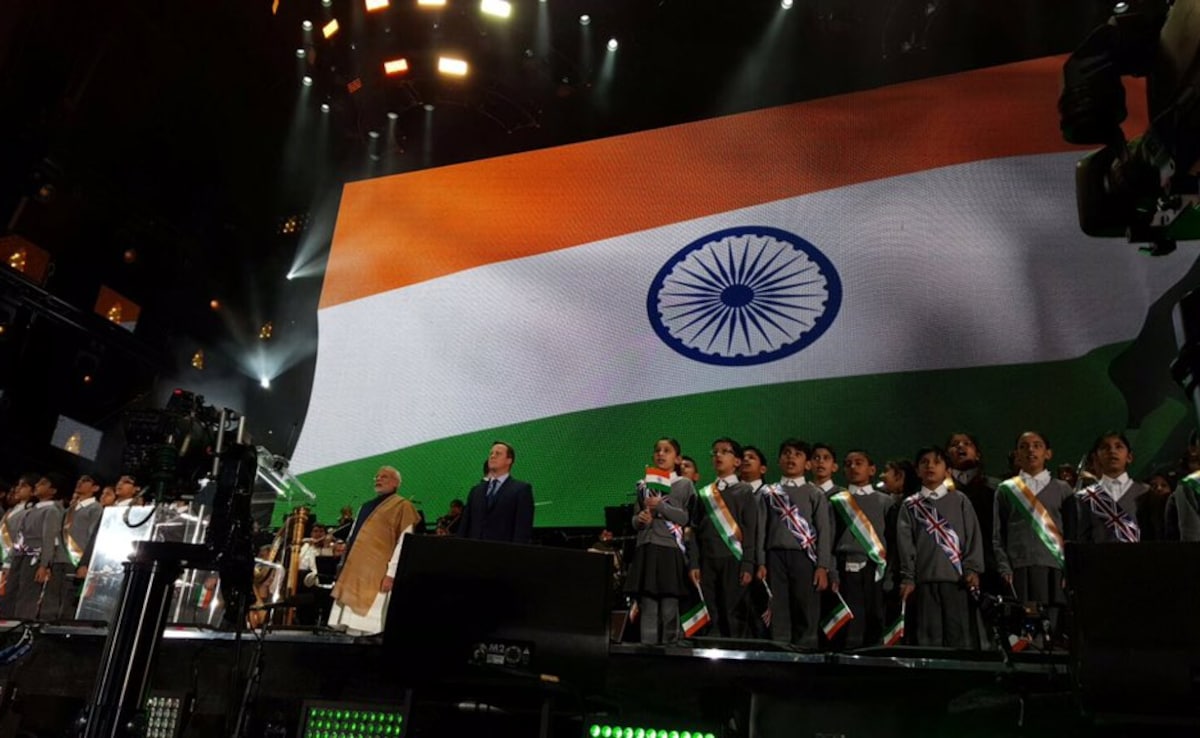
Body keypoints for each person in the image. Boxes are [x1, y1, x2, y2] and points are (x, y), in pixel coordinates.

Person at [896, 447, 985, 649]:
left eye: (936, 462)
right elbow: (905, 544)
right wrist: (908, 577)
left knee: (958, 637)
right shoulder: (910, 505)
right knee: (928, 639)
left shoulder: (961, 500)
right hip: (924, 581)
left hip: (957, 582)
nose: (930, 466)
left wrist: (972, 569)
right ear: (917, 471)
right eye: (924, 462)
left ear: (947, 470)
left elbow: (972, 537)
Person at [992, 432, 1072, 636]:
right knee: (1023, 631)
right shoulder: (1006, 489)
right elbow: (998, 534)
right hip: (1019, 568)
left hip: (1054, 568)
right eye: (1024, 446)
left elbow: (1072, 532)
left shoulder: (1063, 489)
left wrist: (1070, 569)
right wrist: (1004, 566)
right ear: (1016, 454)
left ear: (1048, 453)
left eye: (1037, 445)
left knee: (1052, 630)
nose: (1031, 450)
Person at [756, 438, 831, 649]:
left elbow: (824, 532)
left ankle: (806, 656)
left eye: (797, 454)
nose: (791, 457)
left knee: (805, 610)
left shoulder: (815, 493)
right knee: (777, 609)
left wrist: (823, 566)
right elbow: (760, 529)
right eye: (787, 453)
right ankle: (779, 656)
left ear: (807, 464)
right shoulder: (767, 492)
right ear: (779, 460)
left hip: (805, 558)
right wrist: (760, 562)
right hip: (774, 558)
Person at [329, 466, 421, 635]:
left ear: (396, 483)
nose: (378, 479)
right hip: (354, 570)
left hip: (378, 573)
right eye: (377, 477)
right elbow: (352, 537)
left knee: (366, 629)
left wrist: (391, 574)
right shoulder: (365, 506)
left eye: (384, 477)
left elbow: (403, 543)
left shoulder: (402, 506)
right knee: (347, 628)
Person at [624, 438, 695, 644]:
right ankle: (648, 650)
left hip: (669, 550)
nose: (661, 454)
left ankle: (670, 648)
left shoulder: (684, 484)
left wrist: (661, 507)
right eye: (657, 451)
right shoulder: (643, 485)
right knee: (648, 605)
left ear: (677, 458)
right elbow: (635, 519)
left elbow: (685, 518)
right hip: (646, 548)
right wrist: (640, 520)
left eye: (667, 451)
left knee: (669, 606)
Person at [691, 437, 758, 638]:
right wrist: (694, 563)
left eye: (724, 451)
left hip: (734, 560)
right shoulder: (704, 493)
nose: (718, 455)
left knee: (733, 614)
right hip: (707, 561)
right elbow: (694, 530)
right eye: (715, 452)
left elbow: (750, 530)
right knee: (711, 613)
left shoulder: (745, 491)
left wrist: (748, 563)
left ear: (737, 461)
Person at [828, 450, 893, 649]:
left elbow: (891, 540)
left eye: (859, 463)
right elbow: (829, 538)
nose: (853, 467)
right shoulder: (836, 500)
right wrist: (832, 571)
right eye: (848, 464)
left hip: (874, 568)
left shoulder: (886, 501)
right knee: (846, 620)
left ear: (872, 469)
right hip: (843, 567)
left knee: (873, 618)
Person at [42, 474, 104, 620]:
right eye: (80, 480)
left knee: (68, 600)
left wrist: (86, 563)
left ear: (95, 488)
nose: (80, 483)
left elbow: (93, 538)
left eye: (86, 481)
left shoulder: (95, 508)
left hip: (76, 560)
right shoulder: (70, 508)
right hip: (59, 559)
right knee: (51, 598)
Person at [1069, 432, 1147, 543]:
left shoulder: (1145, 492)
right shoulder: (1084, 497)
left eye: (1118, 447)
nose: (1112, 451)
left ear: (1129, 457)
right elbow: (1082, 539)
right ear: (1095, 458)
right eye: (1105, 448)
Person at [14, 474, 68, 620]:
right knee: (15, 593)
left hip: (35, 556)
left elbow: (49, 539)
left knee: (27, 596)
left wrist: (44, 564)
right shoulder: (32, 509)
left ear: (53, 491)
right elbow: (20, 536)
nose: (37, 485)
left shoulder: (51, 510)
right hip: (21, 555)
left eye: (43, 483)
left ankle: (22, 629)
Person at [459, 442, 535, 544]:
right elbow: (464, 526)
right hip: (473, 554)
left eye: (498, 454)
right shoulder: (476, 491)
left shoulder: (521, 490)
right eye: (491, 453)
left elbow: (522, 530)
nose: (492, 456)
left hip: (503, 555)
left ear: (509, 460)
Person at [0, 475, 35, 618]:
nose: (18, 489)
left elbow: (20, 537)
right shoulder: (11, 509)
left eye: (24, 486)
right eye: (18, 485)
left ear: (32, 492)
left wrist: (8, 561)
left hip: (10, 557)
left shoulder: (30, 511)